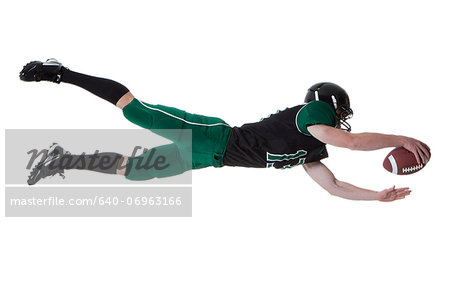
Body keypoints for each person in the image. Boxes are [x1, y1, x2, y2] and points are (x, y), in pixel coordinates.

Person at [20, 59, 430, 202]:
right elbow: (352, 142)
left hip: (212, 159)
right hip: (218, 137)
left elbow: (334, 186)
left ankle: (63, 159)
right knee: (137, 112)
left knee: (132, 170)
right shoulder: (313, 112)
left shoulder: (314, 150)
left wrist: (377, 195)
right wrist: (399, 138)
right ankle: (60, 73)